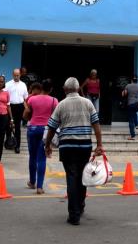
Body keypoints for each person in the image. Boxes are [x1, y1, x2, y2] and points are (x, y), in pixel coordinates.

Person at [45, 77, 103, 226]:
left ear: (65, 90)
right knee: (82, 177)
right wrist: (99, 145)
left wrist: (47, 145)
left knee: (71, 177)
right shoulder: (88, 103)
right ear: (78, 89)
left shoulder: (61, 105)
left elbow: (51, 127)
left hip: (67, 147)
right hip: (84, 146)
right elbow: (96, 124)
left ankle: (74, 214)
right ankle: (80, 206)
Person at [24, 81, 58, 194]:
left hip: (33, 128)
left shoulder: (32, 99)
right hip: (46, 130)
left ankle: (32, 182)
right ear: (51, 89)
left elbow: (26, 114)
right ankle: (39, 187)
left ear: (41, 88)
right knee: (42, 158)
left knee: (32, 156)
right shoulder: (54, 100)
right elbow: (56, 117)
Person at [6, 68, 29, 153]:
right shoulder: (7, 84)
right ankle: (8, 142)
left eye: (18, 75)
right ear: (12, 75)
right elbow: (5, 97)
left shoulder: (23, 85)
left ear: (20, 75)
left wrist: (27, 107)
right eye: (15, 75)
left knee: (17, 127)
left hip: (19, 107)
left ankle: (17, 146)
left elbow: (26, 98)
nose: (16, 76)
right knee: (8, 126)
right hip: (9, 106)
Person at [122, 75, 138, 140]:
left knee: (131, 119)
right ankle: (137, 125)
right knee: (134, 112)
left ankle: (132, 136)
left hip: (131, 104)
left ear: (131, 80)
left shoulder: (128, 86)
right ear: (137, 80)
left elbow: (124, 94)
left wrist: (123, 92)